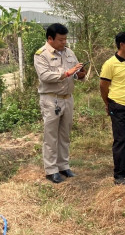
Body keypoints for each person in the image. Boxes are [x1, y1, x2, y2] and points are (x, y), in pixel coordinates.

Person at [34, 23, 86, 184]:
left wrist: (80, 74)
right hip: (51, 99)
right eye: (61, 40)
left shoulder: (69, 52)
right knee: (51, 136)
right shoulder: (41, 55)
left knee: (65, 134)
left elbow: (76, 73)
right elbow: (45, 76)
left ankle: (63, 166)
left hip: (67, 98)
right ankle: (51, 170)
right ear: (50, 39)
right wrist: (66, 73)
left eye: (65, 39)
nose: (64, 43)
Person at [100, 32, 125, 185]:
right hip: (118, 106)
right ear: (122, 44)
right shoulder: (110, 64)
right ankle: (118, 175)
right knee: (121, 139)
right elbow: (103, 86)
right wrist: (108, 103)